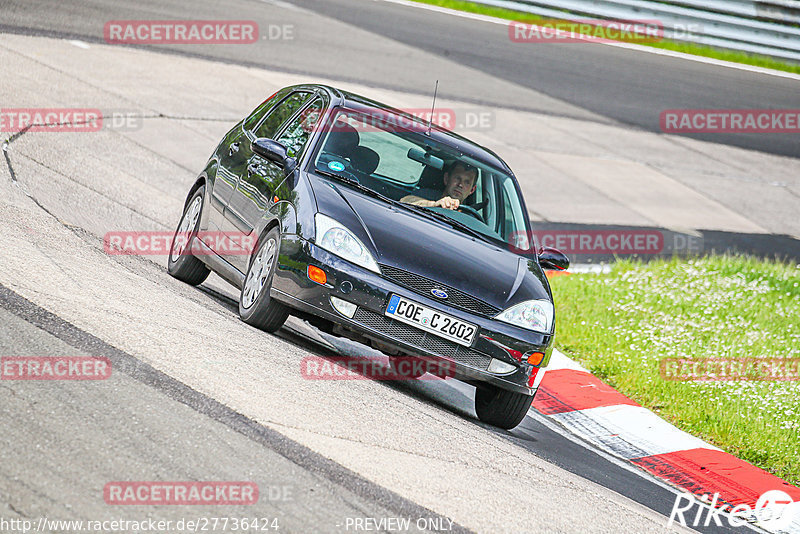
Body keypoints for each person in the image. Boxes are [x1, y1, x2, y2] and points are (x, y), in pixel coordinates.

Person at [401, 160, 478, 210]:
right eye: (457, 178)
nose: (460, 185)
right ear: (446, 179)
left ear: (472, 190)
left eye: (467, 182)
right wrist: (434, 204)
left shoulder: (470, 217)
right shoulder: (425, 194)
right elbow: (404, 200)